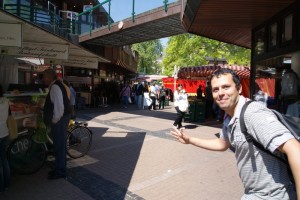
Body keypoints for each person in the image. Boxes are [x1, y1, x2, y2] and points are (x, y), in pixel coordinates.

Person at [171, 68, 300, 199]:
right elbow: (222, 144)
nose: (220, 93)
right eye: (216, 89)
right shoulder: (229, 117)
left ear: (238, 89)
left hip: (272, 195)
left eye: (226, 87)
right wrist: (190, 140)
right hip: (252, 193)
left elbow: (295, 149)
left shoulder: (253, 114)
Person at [43, 69, 71, 180]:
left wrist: (54, 121)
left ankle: (60, 172)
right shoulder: (58, 85)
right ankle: (59, 169)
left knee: (59, 146)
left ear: (49, 77)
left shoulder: (55, 87)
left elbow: (59, 108)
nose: (43, 79)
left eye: (44, 76)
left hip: (60, 119)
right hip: (62, 118)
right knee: (59, 146)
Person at [0, 85, 10, 192]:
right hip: (5, 133)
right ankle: (7, 183)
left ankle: (1, 186)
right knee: (4, 159)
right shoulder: (6, 101)